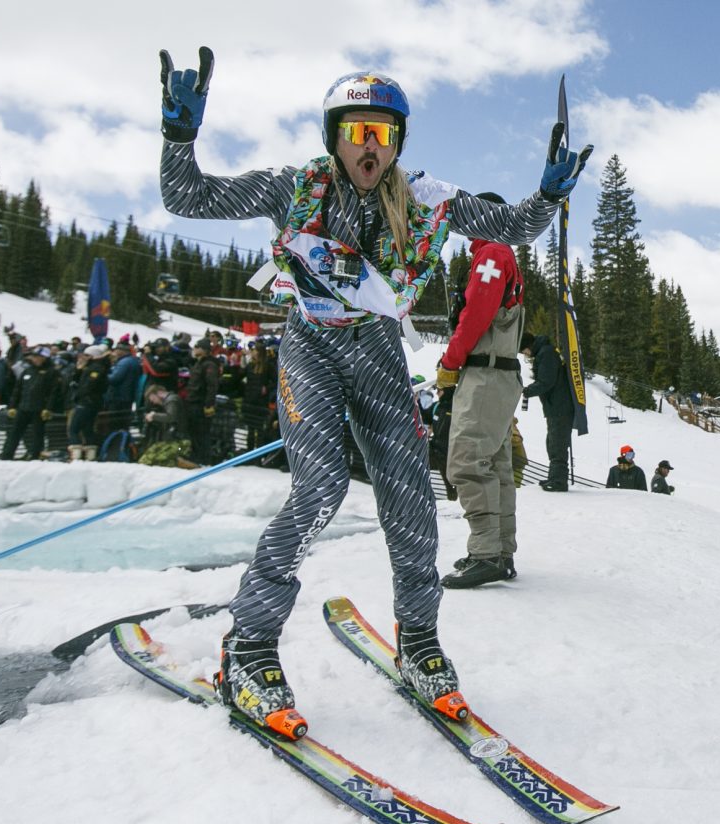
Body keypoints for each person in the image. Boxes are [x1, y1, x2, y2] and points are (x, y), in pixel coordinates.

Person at [157, 47, 590, 736]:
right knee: (322, 487)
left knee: (411, 497)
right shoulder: (293, 188)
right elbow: (187, 197)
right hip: (313, 346)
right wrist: (179, 138)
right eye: (357, 131)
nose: (370, 147)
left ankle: (419, 641)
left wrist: (548, 196)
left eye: (383, 135)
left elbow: (510, 229)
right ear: (334, 136)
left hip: (380, 351)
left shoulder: (425, 200)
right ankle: (249, 644)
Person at [438, 214, 525, 589]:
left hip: (485, 372)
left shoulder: (490, 254)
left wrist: (450, 362)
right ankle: (500, 553)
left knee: (468, 461)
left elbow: (475, 316)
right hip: (502, 374)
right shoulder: (502, 254)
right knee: (497, 465)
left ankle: (486, 554)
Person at [520, 332, 574, 491]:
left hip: (559, 406)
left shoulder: (546, 354)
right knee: (552, 442)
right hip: (556, 406)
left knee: (557, 443)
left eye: (524, 351)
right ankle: (554, 477)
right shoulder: (545, 352)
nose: (525, 354)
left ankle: (558, 481)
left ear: (529, 346)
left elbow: (546, 381)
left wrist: (528, 391)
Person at [0, 347, 63, 460]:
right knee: (14, 432)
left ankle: (35, 456)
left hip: (39, 409)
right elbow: (18, 389)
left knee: (37, 434)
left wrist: (48, 408)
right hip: (23, 407)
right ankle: (7, 455)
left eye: (37, 357)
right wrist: (12, 406)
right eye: (34, 357)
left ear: (44, 358)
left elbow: (54, 392)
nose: (34, 359)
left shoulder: (52, 372)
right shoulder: (28, 371)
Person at [186, 337, 221, 464]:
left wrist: (208, 404)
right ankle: (196, 454)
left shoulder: (209, 365)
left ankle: (203, 457)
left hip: (200, 403)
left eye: (197, 347)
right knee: (194, 430)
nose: (195, 349)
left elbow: (212, 386)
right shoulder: (198, 363)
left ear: (204, 350)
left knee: (201, 431)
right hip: (193, 401)